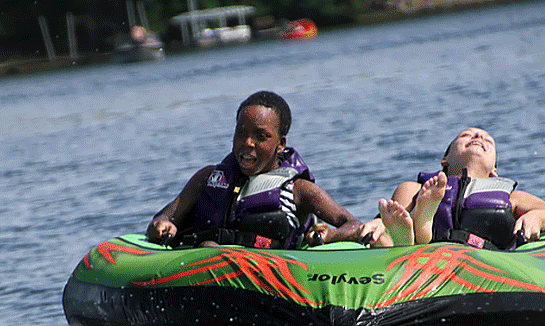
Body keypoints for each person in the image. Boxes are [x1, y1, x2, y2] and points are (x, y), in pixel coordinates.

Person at [147, 91, 378, 249]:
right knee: (208, 247)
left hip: (266, 277)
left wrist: (331, 235)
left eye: (261, 137)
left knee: (211, 249)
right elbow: (164, 217)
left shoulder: (300, 191)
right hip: (203, 267)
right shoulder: (207, 178)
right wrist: (164, 224)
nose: (248, 143)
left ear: (280, 144)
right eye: (241, 133)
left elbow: (353, 224)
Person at [369, 127, 545, 249]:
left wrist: (540, 218)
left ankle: (417, 231)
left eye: (487, 140)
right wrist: (379, 224)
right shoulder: (417, 190)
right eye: (467, 135)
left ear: (494, 170)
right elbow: (394, 213)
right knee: (393, 224)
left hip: (486, 261)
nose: (477, 137)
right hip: (424, 256)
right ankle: (411, 234)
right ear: (445, 159)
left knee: (401, 229)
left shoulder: (511, 198)